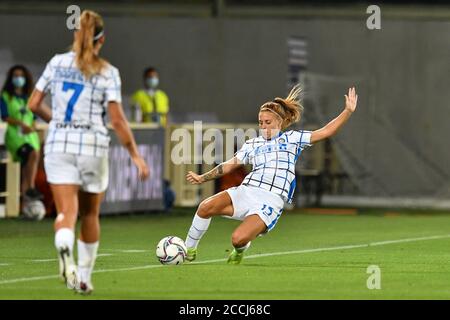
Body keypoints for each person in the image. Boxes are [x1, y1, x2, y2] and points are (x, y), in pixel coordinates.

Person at [28, 10, 150, 294]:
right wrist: (135, 155)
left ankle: (63, 246)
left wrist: (56, 121)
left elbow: (34, 104)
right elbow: (117, 120)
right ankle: (83, 278)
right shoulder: (108, 72)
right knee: (90, 214)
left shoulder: (56, 63)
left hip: (59, 145)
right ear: (101, 39)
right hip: (92, 145)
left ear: (76, 35)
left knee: (66, 212)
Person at [184, 86, 358, 264]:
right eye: (261, 123)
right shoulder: (253, 144)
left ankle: (240, 249)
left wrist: (347, 111)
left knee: (238, 239)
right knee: (205, 207)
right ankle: (188, 249)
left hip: (270, 199)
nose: (264, 127)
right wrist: (202, 177)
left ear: (280, 122)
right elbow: (228, 166)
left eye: (268, 122)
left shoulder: (292, 139)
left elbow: (326, 131)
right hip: (247, 191)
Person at [0, 65, 43, 204]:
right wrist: (21, 124)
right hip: (16, 137)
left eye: (21, 76)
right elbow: (5, 116)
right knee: (33, 155)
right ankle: (30, 187)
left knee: (27, 168)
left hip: (31, 137)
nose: (18, 79)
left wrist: (32, 126)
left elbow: (35, 117)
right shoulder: (5, 97)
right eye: (16, 76)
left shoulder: (30, 97)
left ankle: (27, 204)